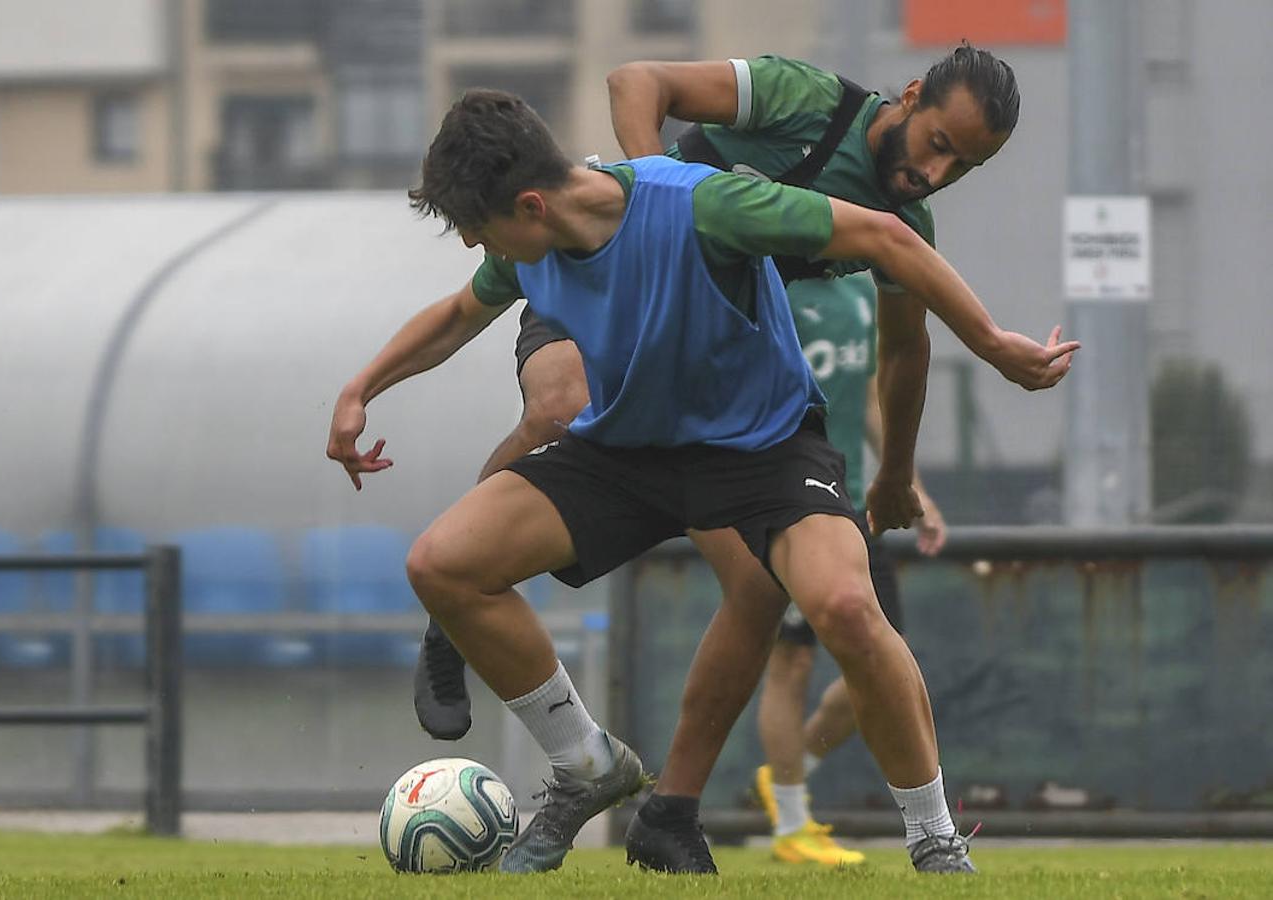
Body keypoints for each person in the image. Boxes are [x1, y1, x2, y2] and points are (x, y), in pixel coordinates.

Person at [328, 88, 1075, 873]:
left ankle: (932, 839)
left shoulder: (703, 206)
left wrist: (994, 345)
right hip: (626, 452)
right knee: (441, 563)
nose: (477, 247)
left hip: (762, 448)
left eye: (479, 230)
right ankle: (585, 765)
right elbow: (455, 315)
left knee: (847, 606)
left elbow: (886, 236)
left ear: (530, 203)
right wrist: (359, 390)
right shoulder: (525, 250)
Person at [414, 45, 1052, 746]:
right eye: (938, 145)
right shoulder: (805, 99)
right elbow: (636, 80)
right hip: (601, 263)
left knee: (756, 588)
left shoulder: (899, 225)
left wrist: (897, 475)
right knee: (558, 407)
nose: (936, 174)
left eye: (962, 167)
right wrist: (648, 204)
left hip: (689, 353)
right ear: (909, 97)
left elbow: (903, 351)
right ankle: (449, 618)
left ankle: (672, 808)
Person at [748, 273, 948, 867]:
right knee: (792, 660)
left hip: (856, 510)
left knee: (887, 662)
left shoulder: (864, 294)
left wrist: (911, 482)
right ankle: (790, 824)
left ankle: (792, 770)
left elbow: (866, 396)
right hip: (790, 506)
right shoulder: (770, 286)